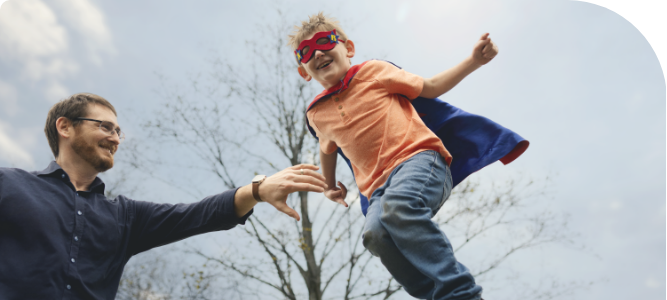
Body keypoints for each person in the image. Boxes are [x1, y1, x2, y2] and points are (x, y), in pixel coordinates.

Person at [289, 13, 529, 300]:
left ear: (348, 48)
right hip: (377, 189)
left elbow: (430, 87)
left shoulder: (373, 71)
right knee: (376, 235)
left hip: (419, 161)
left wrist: (473, 61)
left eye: (324, 42)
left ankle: (460, 292)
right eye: (306, 52)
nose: (317, 52)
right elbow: (327, 148)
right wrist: (329, 186)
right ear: (304, 71)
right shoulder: (317, 113)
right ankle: (433, 295)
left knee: (399, 207)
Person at [0, 93, 327, 300]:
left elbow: (198, 214)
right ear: (65, 127)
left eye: (118, 132)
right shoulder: (9, 185)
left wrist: (257, 189)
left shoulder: (124, 218)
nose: (115, 138)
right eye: (105, 127)